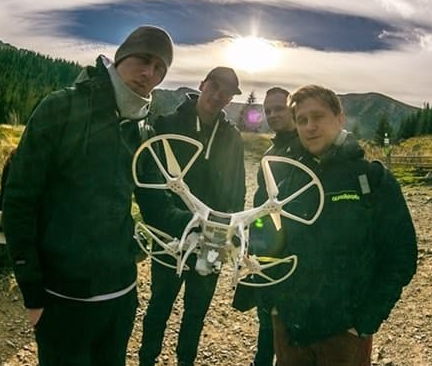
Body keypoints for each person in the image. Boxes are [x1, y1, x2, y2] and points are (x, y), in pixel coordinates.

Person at [3, 25, 189, 366]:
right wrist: (32, 291)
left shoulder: (142, 127)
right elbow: (18, 200)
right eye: (144, 60)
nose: (150, 74)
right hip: (62, 296)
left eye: (160, 68)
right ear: (121, 57)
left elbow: (155, 204)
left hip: (120, 296)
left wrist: (202, 226)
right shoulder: (61, 107)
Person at [269, 84, 417, 366]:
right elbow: (269, 241)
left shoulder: (372, 180)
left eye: (318, 116)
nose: (310, 126)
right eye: (302, 120)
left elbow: (402, 257)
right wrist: (273, 305)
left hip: (344, 336)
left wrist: (366, 321)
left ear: (340, 118)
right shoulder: (288, 181)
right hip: (290, 329)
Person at [139, 66, 246, 366]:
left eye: (227, 92)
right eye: (214, 86)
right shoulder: (167, 125)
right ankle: (147, 359)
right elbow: (151, 184)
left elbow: (237, 189)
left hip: (212, 239)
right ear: (202, 84)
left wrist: (226, 232)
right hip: (171, 235)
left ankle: (186, 360)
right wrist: (177, 222)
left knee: (197, 310)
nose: (218, 95)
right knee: (160, 303)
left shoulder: (232, 137)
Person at [233, 86, 301, 366]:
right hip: (268, 246)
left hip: (296, 248)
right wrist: (251, 235)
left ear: (293, 110)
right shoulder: (271, 151)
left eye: (279, 108)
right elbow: (261, 200)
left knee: (288, 321)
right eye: (268, 110)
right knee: (265, 316)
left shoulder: (306, 148)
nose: (273, 114)